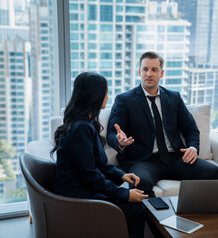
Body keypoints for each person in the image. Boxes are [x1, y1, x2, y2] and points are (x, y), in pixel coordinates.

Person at [107, 51, 218, 197]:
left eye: (154, 70)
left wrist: (193, 148)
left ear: (161, 73)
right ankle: (155, 220)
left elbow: (191, 130)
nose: (149, 74)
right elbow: (112, 133)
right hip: (143, 160)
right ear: (139, 72)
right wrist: (120, 142)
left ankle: (194, 215)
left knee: (215, 173)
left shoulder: (174, 98)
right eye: (145, 69)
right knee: (139, 182)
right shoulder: (124, 100)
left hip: (175, 158)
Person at [52, 72, 148, 238]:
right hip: (77, 197)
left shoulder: (84, 124)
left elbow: (99, 165)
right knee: (136, 210)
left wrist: (123, 175)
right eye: (105, 92)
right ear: (94, 96)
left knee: (134, 204)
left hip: (83, 189)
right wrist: (125, 195)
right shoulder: (80, 128)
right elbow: (91, 175)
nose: (107, 96)